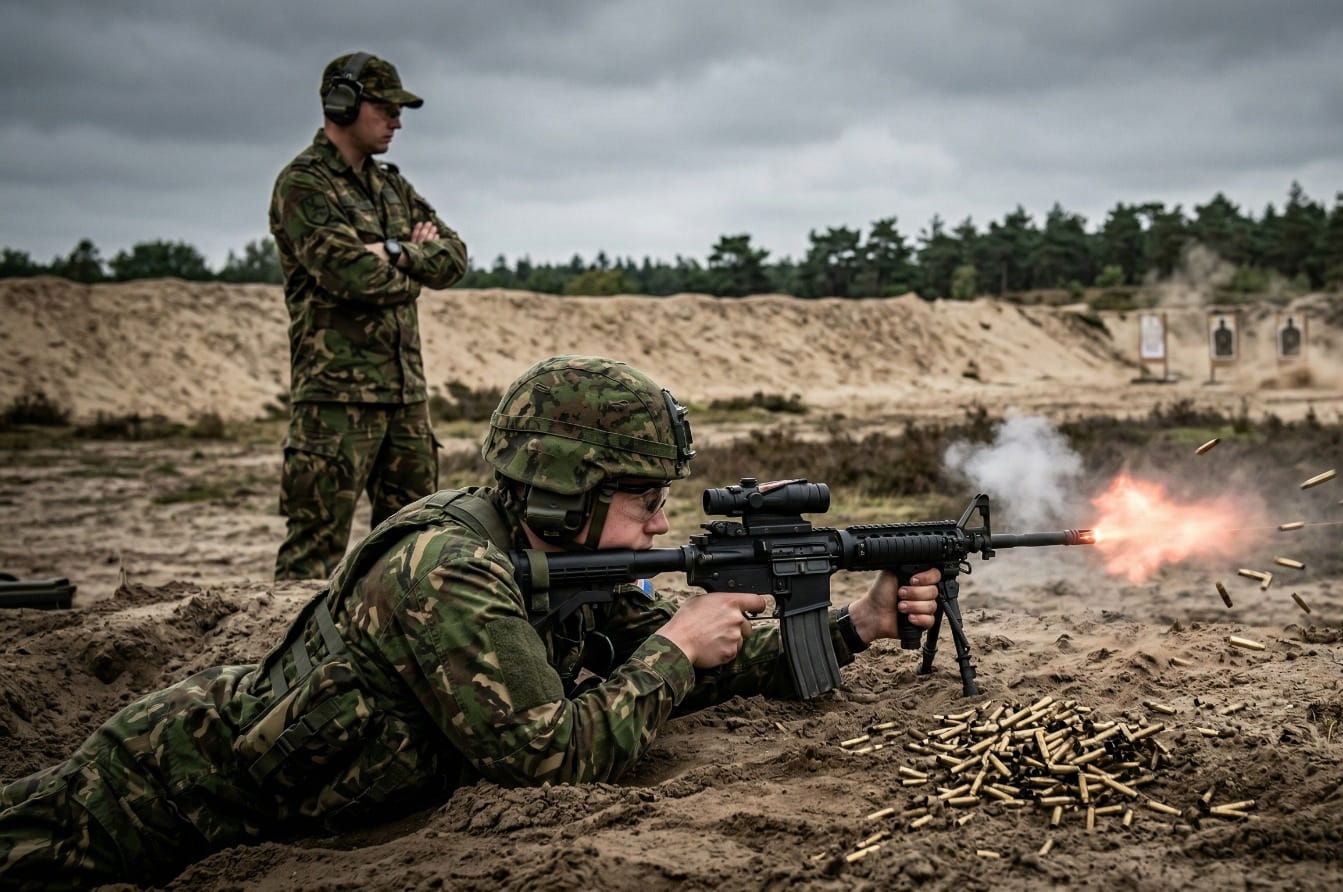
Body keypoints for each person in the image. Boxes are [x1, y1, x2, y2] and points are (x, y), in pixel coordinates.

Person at [0, 355, 943, 890]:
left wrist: (856, 626)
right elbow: (553, 757)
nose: (661, 523)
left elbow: (670, 652)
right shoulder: (447, 571)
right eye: (643, 498)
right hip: (145, 802)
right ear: (569, 487)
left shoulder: (561, 552)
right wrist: (672, 650)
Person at [271, 51, 468, 581]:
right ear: (343, 104)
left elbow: (454, 257)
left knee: (414, 546)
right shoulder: (304, 185)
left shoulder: (392, 187)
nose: (397, 122)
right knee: (313, 550)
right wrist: (408, 265)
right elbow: (350, 274)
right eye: (384, 109)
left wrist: (396, 251)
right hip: (335, 401)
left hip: (405, 398)